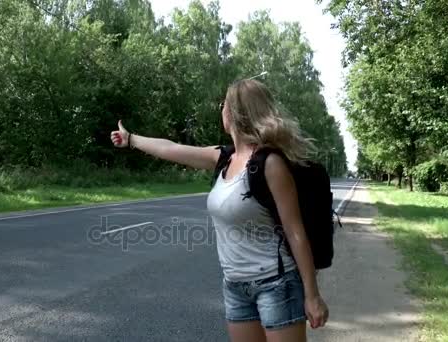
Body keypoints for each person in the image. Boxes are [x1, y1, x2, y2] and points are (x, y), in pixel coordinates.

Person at [110, 79, 328, 342]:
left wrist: (312, 295)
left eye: (224, 103)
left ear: (234, 113)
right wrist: (131, 139)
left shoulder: (270, 164)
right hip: (235, 286)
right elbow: (171, 148)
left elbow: (295, 233)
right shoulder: (224, 158)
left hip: (277, 284)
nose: (221, 108)